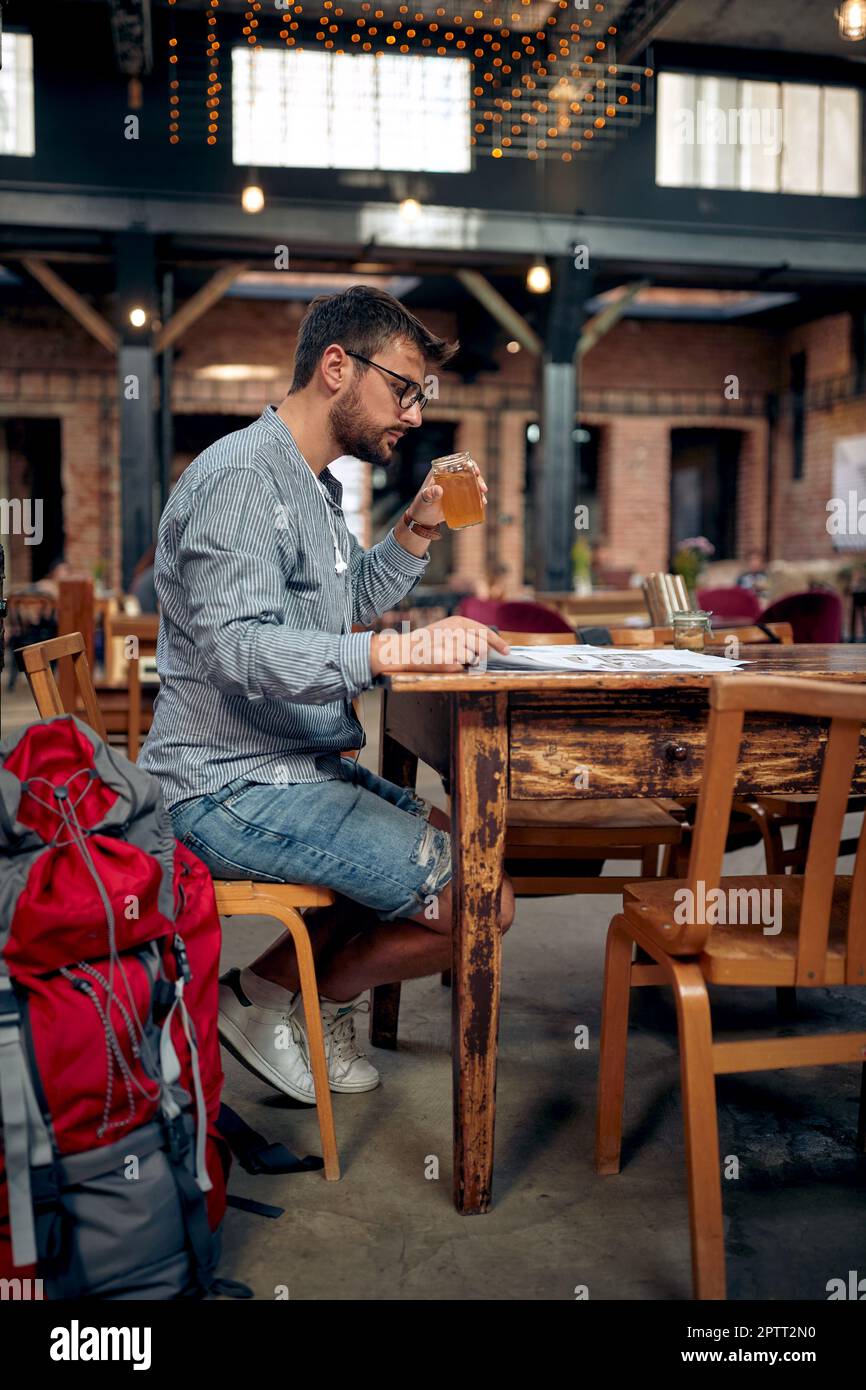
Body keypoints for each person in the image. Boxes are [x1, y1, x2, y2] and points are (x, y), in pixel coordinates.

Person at [139, 285, 515, 1103]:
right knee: (480, 900)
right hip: (227, 787)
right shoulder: (242, 480)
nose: (414, 414)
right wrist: (390, 651)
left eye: (422, 395)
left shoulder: (311, 484)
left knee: (470, 845)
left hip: (291, 766)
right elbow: (242, 651)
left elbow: (338, 610)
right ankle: (297, 1001)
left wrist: (415, 528)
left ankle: (268, 997)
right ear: (337, 367)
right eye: (404, 388)